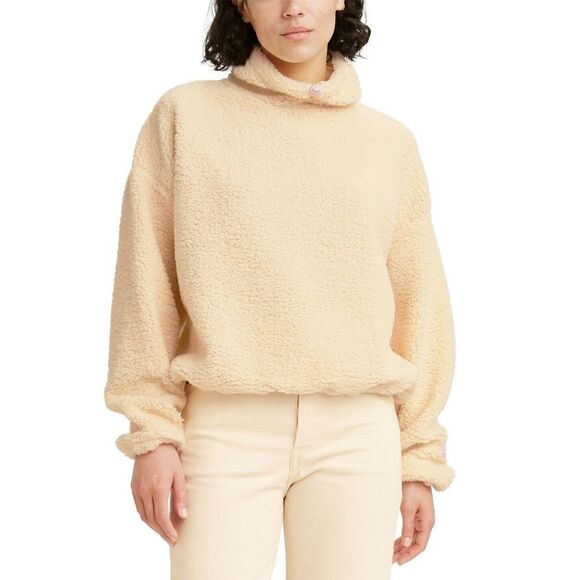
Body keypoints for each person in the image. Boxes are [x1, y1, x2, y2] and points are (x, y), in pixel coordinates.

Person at [103, 1, 456, 578]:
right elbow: (145, 283)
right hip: (223, 427)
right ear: (241, 6)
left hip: (359, 433)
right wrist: (152, 432)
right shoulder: (186, 117)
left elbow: (420, 303)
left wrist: (419, 456)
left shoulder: (388, 143)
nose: (293, 8)